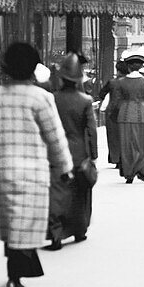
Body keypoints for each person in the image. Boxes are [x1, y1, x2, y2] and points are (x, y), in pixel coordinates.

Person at [0, 42, 74, 287]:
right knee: (25, 224)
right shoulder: (41, 97)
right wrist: (66, 167)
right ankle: (15, 276)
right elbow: (55, 137)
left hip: (3, 171)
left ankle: (14, 273)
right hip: (34, 173)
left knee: (10, 223)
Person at [44, 52, 97, 251]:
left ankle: (56, 235)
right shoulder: (85, 100)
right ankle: (80, 230)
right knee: (80, 193)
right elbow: (91, 130)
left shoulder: (51, 99)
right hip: (78, 153)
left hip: (55, 151)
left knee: (56, 193)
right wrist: (93, 154)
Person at [110, 51, 144, 183]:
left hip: (125, 115)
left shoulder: (121, 82)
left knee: (127, 144)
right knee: (143, 143)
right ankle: (141, 170)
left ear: (128, 67)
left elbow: (116, 102)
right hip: (142, 114)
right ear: (141, 67)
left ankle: (129, 173)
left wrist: (113, 115)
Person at [99, 61, 129, 167]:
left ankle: (115, 158)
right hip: (126, 111)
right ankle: (124, 158)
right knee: (125, 136)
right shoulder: (130, 82)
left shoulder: (112, 82)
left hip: (112, 112)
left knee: (113, 137)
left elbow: (101, 93)